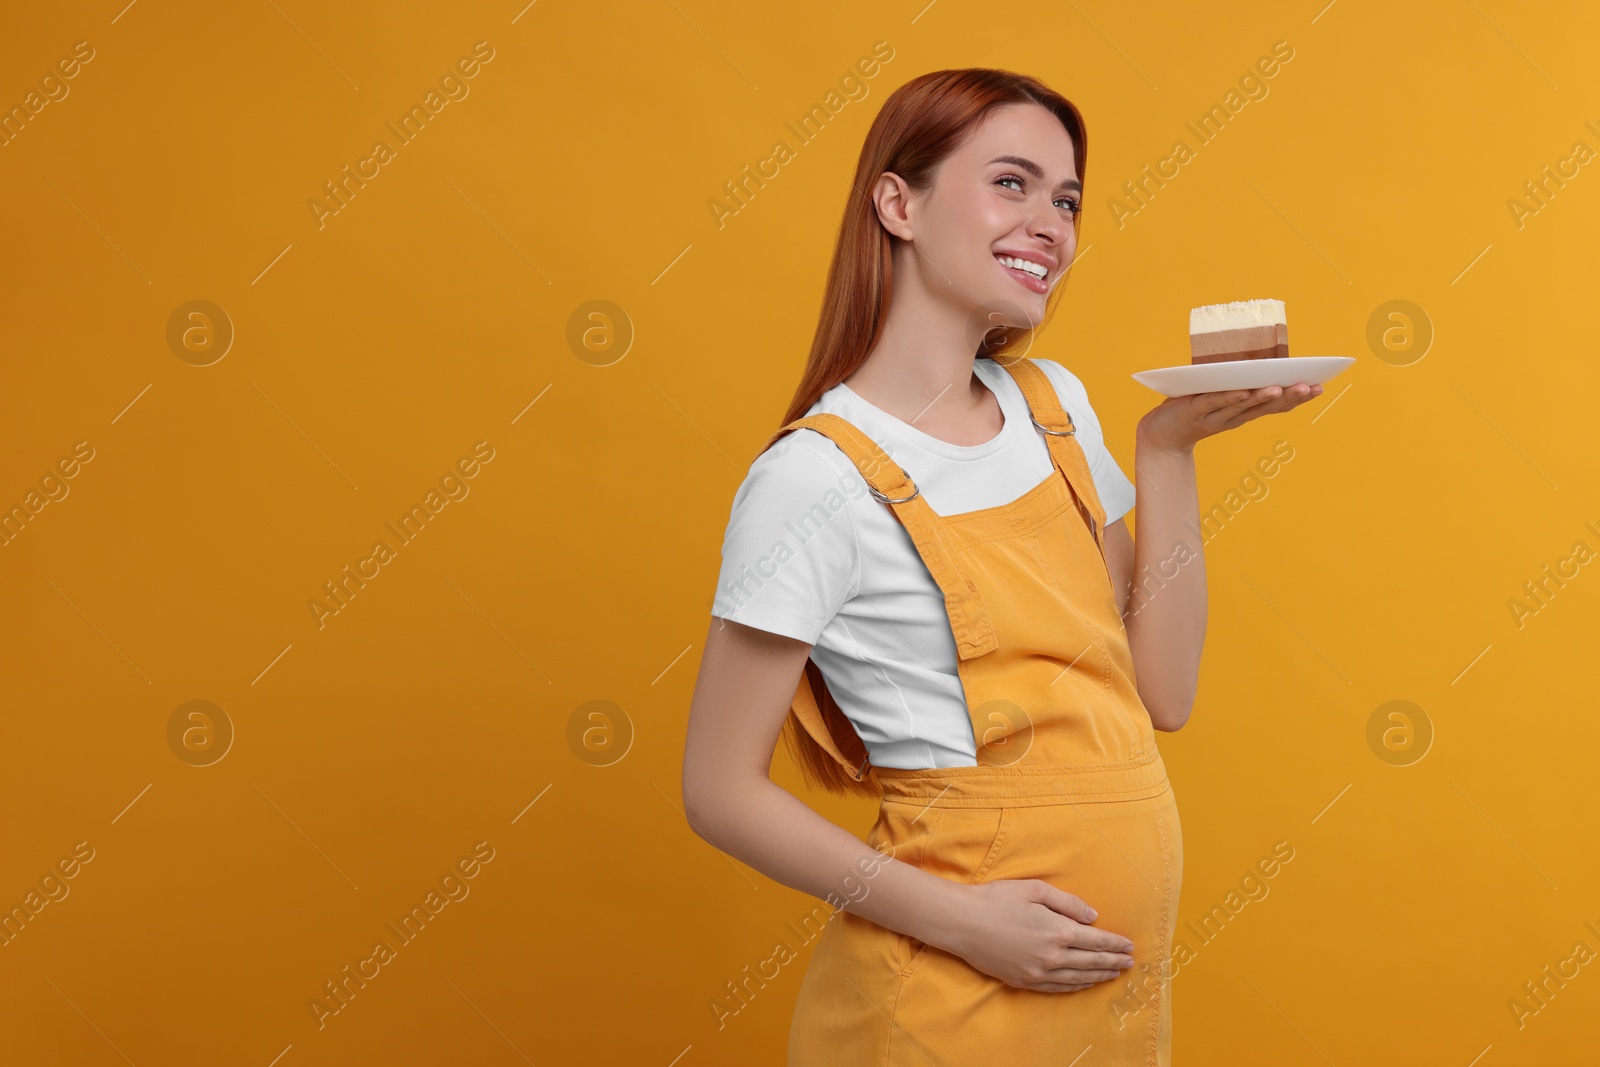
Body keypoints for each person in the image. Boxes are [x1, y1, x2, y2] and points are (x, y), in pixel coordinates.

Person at [681, 67, 1319, 1065]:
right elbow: (719, 789)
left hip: (1107, 999)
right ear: (897, 203)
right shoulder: (812, 479)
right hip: (943, 1000)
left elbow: (1165, 689)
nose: (1050, 223)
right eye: (1011, 183)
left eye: (1065, 199)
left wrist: (1168, 451)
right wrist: (964, 921)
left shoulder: (1053, 408)